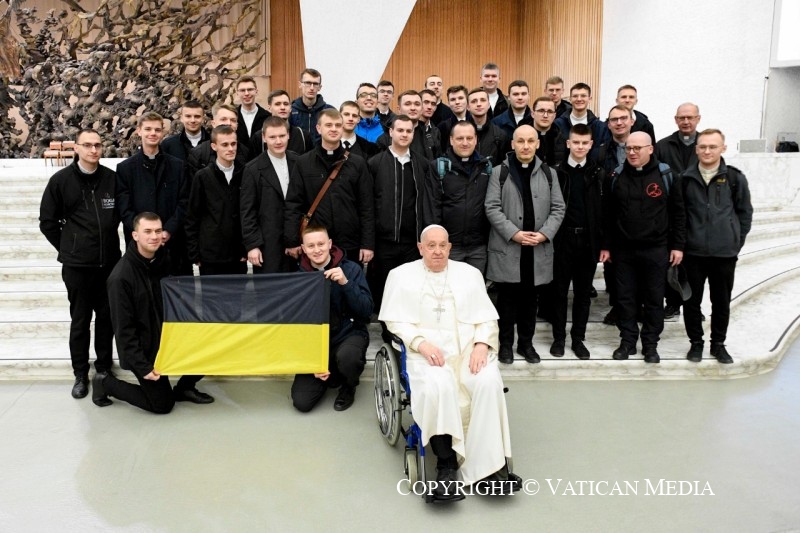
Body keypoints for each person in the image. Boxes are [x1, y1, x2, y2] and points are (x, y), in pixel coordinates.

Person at [380, 224, 516, 498]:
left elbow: (487, 318)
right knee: (438, 386)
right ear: (420, 248)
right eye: (431, 245)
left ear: (450, 247)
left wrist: (482, 344)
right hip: (426, 356)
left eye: (443, 245)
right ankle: (446, 466)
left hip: (467, 352)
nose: (437, 251)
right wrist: (420, 343)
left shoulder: (470, 274)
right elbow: (395, 321)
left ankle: (490, 467)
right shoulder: (400, 276)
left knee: (488, 381)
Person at [93, 212, 215, 412]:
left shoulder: (164, 260)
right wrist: (143, 367)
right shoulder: (120, 278)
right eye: (147, 231)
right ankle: (105, 382)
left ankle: (184, 388)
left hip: (168, 337)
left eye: (158, 231)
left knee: (212, 345)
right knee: (162, 405)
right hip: (145, 350)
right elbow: (124, 331)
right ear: (135, 235)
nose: (154, 236)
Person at [39, 129, 120, 399]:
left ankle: (104, 369)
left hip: (109, 265)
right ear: (76, 148)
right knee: (80, 321)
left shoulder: (111, 179)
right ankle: (80, 374)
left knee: (107, 319)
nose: (93, 150)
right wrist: (69, 247)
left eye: (97, 145)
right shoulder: (60, 181)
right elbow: (48, 222)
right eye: (87, 145)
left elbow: (120, 215)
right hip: (77, 267)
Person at [600, 131, 686, 363]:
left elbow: (678, 213)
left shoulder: (666, 175)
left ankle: (650, 344)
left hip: (656, 249)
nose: (632, 152)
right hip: (623, 250)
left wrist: (677, 246)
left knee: (654, 299)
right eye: (629, 148)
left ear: (650, 149)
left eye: (637, 148)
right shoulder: (616, 176)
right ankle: (627, 341)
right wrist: (606, 245)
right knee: (624, 298)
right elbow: (607, 214)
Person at [485, 125, 565, 364]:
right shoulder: (499, 172)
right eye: (520, 141)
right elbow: (492, 207)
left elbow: (558, 208)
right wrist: (514, 234)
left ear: (538, 144)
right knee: (507, 301)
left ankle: (526, 344)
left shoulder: (549, 174)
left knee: (530, 301)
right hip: (509, 247)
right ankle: (506, 345)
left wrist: (544, 234)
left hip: (537, 248)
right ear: (513, 144)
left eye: (531, 141)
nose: (526, 146)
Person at [681, 129, 753, 364]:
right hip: (693, 253)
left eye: (712, 146)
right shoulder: (685, 179)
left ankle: (718, 344)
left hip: (724, 254)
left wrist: (735, 241)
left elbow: (744, 213)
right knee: (691, 302)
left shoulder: (734, 178)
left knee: (721, 302)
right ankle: (696, 343)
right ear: (696, 149)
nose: (707, 151)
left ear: (723, 148)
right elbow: (679, 216)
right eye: (702, 146)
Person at [291, 225, 372, 412]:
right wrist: (311, 363)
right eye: (311, 246)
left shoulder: (351, 269)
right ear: (303, 249)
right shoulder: (298, 277)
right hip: (316, 342)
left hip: (349, 334)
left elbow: (366, 310)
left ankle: (349, 386)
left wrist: (346, 283)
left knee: (348, 358)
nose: (317, 250)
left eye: (321, 244)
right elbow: (295, 326)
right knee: (302, 402)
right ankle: (331, 376)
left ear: (330, 244)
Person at [284, 109, 375, 265]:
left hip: (349, 242)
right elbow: (293, 204)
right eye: (328, 125)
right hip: (316, 244)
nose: (334, 129)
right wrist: (292, 241)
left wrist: (367, 244)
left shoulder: (357, 163)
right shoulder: (303, 163)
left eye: (338, 125)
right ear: (318, 128)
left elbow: (366, 206)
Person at [367, 114, 430, 315]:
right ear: (391, 132)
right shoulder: (375, 163)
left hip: (412, 243)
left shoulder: (422, 164)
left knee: (410, 291)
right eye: (400, 130)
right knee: (386, 290)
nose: (404, 134)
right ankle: (387, 328)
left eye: (408, 131)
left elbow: (427, 203)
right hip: (384, 242)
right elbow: (368, 205)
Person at [551, 124, 604, 359]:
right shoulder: (557, 172)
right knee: (559, 292)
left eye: (584, 143)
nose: (580, 147)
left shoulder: (598, 174)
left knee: (583, 295)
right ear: (568, 143)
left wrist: (603, 244)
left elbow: (605, 212)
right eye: (576, 142)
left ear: (591, 145)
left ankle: (578, 339)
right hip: (562, 241)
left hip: (588, 242)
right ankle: (559, 339)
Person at [116, 111, 191, 276]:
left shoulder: (177, 166)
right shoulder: (125, 169)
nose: (153, 133)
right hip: (139, 247)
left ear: (163, 132)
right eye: (148, 129)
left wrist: (167, 230)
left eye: (157, 130)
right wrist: (143, 234)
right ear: (139, 131)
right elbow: (124, 208)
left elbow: (184, 202)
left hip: (172, 244)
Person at [426, 120, 492, 273]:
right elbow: (432, 208)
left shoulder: (486, 167)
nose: (465, 143)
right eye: (460, 138)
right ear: (451, 140)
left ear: (476, 140)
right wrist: (437, 244)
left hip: (478, 247)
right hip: (449, 247)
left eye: (469, 138)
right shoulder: (439, 167)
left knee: (475, 287)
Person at [656, 103, 702, 320]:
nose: (686, 121)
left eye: (690, 117)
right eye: (682, 118)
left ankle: (694, 306)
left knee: (695, 264)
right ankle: (673, 302)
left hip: (697, 213)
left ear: (698, 119)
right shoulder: (663, 146)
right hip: (670, 212)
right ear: (675, 120)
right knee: (671, 261)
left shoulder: (705, 145)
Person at [185, 125, 247, 275]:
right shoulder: (202, 177)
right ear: (214, 146)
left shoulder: (245, 173)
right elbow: (192, 217)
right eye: (225, 144)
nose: (230, 149)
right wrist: (194, 253)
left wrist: (246, 248)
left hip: (238, 255)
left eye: (233, 144)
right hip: (210, 256)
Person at [241, 116, 299, 274]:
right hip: (268, 244)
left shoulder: (298, 162)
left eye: (282, 136)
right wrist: (253, 245)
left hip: (297, 241)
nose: (278, 141)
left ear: (288, 135)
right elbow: (247, 211)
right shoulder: (252, 169)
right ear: (264, 137)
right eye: (272, 137)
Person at [186, 104, 250, 178]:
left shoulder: (245, 152)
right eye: (223, 119)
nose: (228, 123)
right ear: (213, 123)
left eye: (233, 120)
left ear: (237, 125)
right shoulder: (198, 154)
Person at [553, 83, 609, 163]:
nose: (579, 99)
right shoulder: (557, 125)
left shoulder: (600, 127)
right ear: (570, 99)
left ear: (590, 99)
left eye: (583, 96)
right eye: (575, 96)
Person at [249, 89, 313, 157]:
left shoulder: (303, 136)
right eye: (277, 104)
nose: (282, 107)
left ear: (290, 108)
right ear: (269, 108)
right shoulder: (259, 138)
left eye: (286, 104)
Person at [289, 68, 334, 144]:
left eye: (315, 84)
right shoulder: (290, 110)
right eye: (308, 83)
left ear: (320, 87)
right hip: (298, 151)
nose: (312, 88)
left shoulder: (329, 111)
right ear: (300, 85)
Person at [466, 87, 509, 164]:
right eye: (474, 101)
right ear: (468, 107)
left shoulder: (500, 135)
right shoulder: (459, 133)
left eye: (483, 100)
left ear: (489, 105)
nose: (479, 104)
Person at [235, 76, 271, 151]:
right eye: (242, 90)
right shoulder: (232, 117)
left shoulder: (268, 117)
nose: (246, 93)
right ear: (237, 93)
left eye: (250, 89)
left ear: (256, 91)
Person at [531, 96, 566, 166]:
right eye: (541, 111)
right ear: (533, 114)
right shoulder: (522, 136)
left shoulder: (562, 138)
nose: (545, 115)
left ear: (554, 115)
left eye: (550, 112)